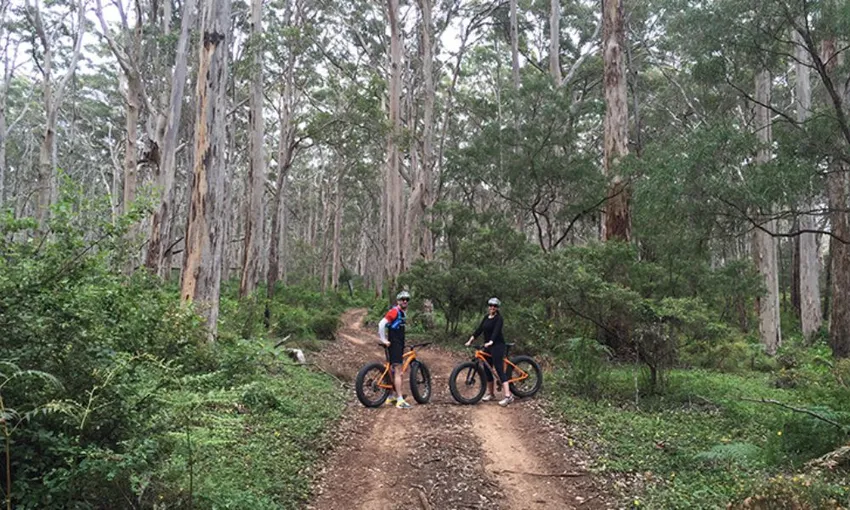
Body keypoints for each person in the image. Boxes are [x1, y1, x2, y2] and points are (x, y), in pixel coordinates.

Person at [466, 297, 514, 406]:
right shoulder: (486, 318)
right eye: (491, 305)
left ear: (497, 308)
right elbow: (479, 329)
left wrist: (491, 341)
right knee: (487, 370)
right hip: (488, 346)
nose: (492, 307)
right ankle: (491, 394)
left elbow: (496, 331)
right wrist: (471, 340)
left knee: (499, 369)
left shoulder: (499, 319)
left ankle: (508, 396)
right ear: (488, 306)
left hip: (497, 345)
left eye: (495, 306)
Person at [379, 290, 411, 409]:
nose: (405, 301)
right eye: (402, 299)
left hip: (398, 343)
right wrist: (383, 340)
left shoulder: (402, 313)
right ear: (398, 301)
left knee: (393, 369)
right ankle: (399, 400)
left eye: (407, 300)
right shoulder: (395, 311)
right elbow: (381, 324)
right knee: (398, 371)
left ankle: (391, 396)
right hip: (395, 343)